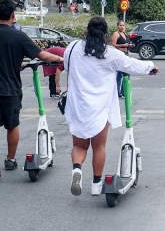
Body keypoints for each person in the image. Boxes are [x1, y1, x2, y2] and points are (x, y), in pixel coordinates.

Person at [64, 17, 159, 196]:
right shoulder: (110, 53)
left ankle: (77, 170)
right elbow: (131, 65)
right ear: (106, 37)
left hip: (79, 106)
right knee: (98, 147)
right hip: (101, 108)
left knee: (80, 145)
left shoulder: (73, 48)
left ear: (86, 33)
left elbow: (68, 68)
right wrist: (150, 67)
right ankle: (96, 184)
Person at [0, 0, 64, 179]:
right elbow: (41, 55)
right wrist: (60, 59)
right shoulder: (19, 36)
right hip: (10, 89)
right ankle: (10, 159)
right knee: (12, 125)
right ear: (13, 15)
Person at [112, 20, 135, 98]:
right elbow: (114, 44)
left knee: (126, 73)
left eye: (123, 25)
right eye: (120, 25)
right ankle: (117, 92)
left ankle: (123, 91)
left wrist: (129, 45)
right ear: (117, 26)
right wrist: (123, 45)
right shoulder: (116, 34)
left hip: (126, 54)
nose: (122, 27)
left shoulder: (124, 34)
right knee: (120, 74)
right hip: (120, 54)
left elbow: (126, 44)